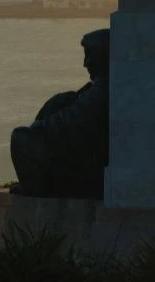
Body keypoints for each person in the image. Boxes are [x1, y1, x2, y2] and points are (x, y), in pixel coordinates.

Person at [9, 28, 110, 200]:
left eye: (89, 55)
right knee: (60, 101)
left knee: (20, 137)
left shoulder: (103, 90)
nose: (85, 63)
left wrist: (38, 127)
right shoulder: (103, 88)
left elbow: (68, 122)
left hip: (88, 173)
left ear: (103, 56)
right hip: (88, 163)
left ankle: (37, 191)